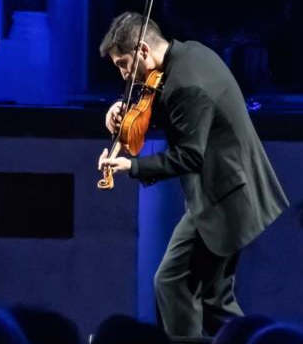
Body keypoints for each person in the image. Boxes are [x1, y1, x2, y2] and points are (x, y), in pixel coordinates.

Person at [96, 12, 288, 338]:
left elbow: (189, 155)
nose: (125, 75)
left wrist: (133, 166)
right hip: (227, 189)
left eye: (124, 63)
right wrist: (120, 109)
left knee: (173, 284)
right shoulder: (188, 54)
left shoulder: (185, 85)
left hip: (224, 197)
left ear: (143, 50)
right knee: (215, 303)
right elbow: (171, 108)